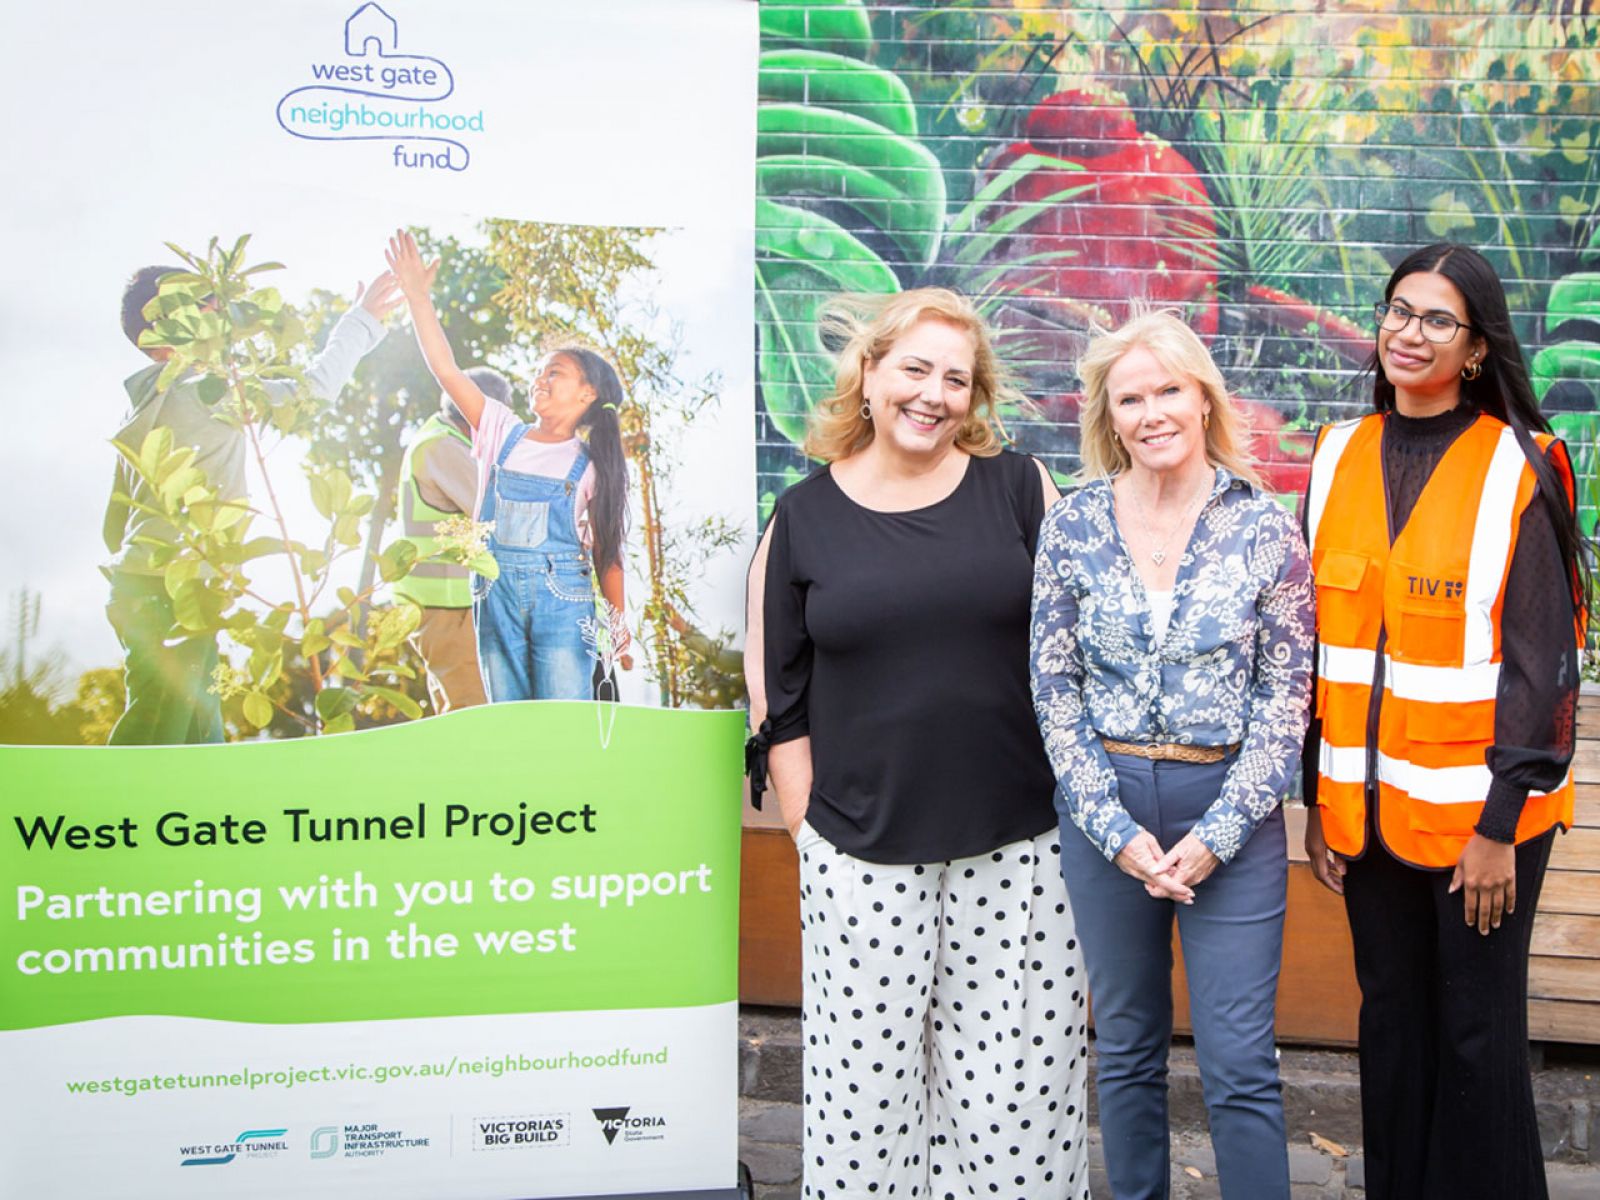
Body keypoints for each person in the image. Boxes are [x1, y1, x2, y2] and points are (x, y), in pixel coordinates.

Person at [746, 287, 1090, 1199]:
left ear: (974, 396)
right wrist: (808, 832)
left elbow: (1078, 654)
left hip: (1022, 848)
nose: (933, 394)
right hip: (861, 852)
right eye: (914, 369)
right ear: (868, 373)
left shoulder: (1020, 489)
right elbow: (777, 700)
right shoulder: (803, 516)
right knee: (865, 1111)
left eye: (956, 378)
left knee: (1015, 1105)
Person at [1302, 243, 1586, 1200]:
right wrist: (1318, 797)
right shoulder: (1337, 453)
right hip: (1367, 819)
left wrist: (1503, 824)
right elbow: (1321, 649)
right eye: (1397, 311)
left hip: (1482, 826)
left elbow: (1545, 663)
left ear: (1475, 348)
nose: (1407, 333)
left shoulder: (1520, 465)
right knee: (1391, 1030)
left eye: (1437, 320)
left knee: (1477, 1039)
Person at [1031, 310, 1313, 1198]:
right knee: (1124, 1047)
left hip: (1227, 811)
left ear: (1203, 399)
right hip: (1104, 812)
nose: (1152, 412)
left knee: (1237, 1060)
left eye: (1168, 391)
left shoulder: (1265, 528)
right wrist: (1112, 829)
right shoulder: (1072, 526)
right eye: (1131, 398)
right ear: (1108, 417)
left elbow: (1286, 702)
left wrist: (1220, 833)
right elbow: (1054, 688)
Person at [103, 264, 400, 745]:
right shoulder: (205, 391)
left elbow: (114, 525)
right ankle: (93, 817)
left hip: (154, 587)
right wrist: (360, 321)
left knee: (199, 746)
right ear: (159, 334)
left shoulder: (143, 404)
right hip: (172, 593)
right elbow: (312, 393)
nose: (218, 308)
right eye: (201, 303)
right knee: (154, 742)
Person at [385, 230, 631, 702]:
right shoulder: (499, 429)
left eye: (554, 372)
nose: (540, 378)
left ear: (587, 394)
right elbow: (446, 369)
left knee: (564, 726)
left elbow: (609, 555)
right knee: (511, 726)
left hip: (564, 604)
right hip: (494, 603)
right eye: (539, 370)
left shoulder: (593, 465)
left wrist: (619, 626)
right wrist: (417, 298)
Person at [390, 370, 514, 714]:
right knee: (473, 714)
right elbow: (496, 511)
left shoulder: (442, 439)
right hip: (447, 606)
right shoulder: (442, 446)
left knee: (457, 711)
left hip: (447, 606)